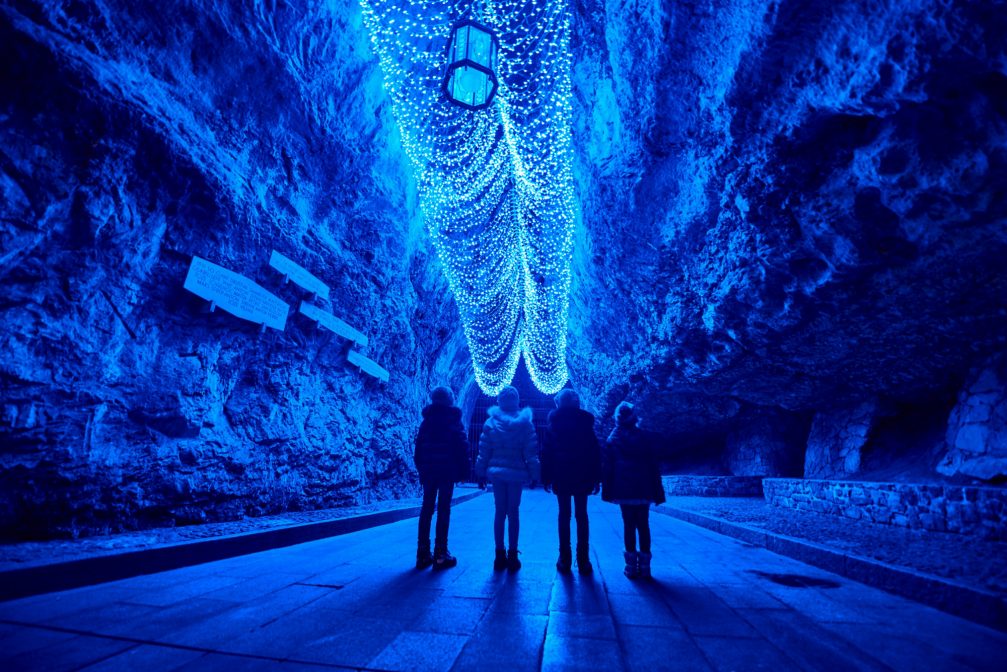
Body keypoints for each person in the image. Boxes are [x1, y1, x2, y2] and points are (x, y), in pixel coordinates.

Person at [475, 386, 539, 572]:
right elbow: (531, 452)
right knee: (514, 512)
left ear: (500, 401)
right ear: (516, 401)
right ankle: (512, 555)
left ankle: (498, 554)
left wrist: (480, 473)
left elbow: (483, 450)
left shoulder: (490, 422)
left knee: (499, 512)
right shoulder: (525, 423)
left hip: (497, 473)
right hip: (516, 473)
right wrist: (535, 474)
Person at [602, 401, 665, 579]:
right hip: (643, 486)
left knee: (628, 525)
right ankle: (645, 567)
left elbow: (608, 467)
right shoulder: (645, 437)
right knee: (644, 525)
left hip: (623, 488)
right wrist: (657, 490)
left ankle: (630, 566)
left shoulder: (612, 439)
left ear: (617, 418)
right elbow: (653, 464)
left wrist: (606, 490)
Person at [541, 388, 601, 575]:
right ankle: (583, 560)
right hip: (582, 474)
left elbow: (547, 453)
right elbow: (594, 452)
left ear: (559, 403)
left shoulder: (554, 424)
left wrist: (547, 477)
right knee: (582, 516)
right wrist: (596, 478)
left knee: (564, 515)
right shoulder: (586, 423)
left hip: (562, 474)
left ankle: (564, 558)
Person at [414, 386, 469, 570]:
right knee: (444, 509)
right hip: (447, 471)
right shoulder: (453, 420)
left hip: (429, 472)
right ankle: (440, 553)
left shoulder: (426, 422)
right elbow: (462, 447)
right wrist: (463, 471)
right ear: (449, 399)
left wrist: (422, 469)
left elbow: (418, 449)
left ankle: (422, 553)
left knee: (427, 508)